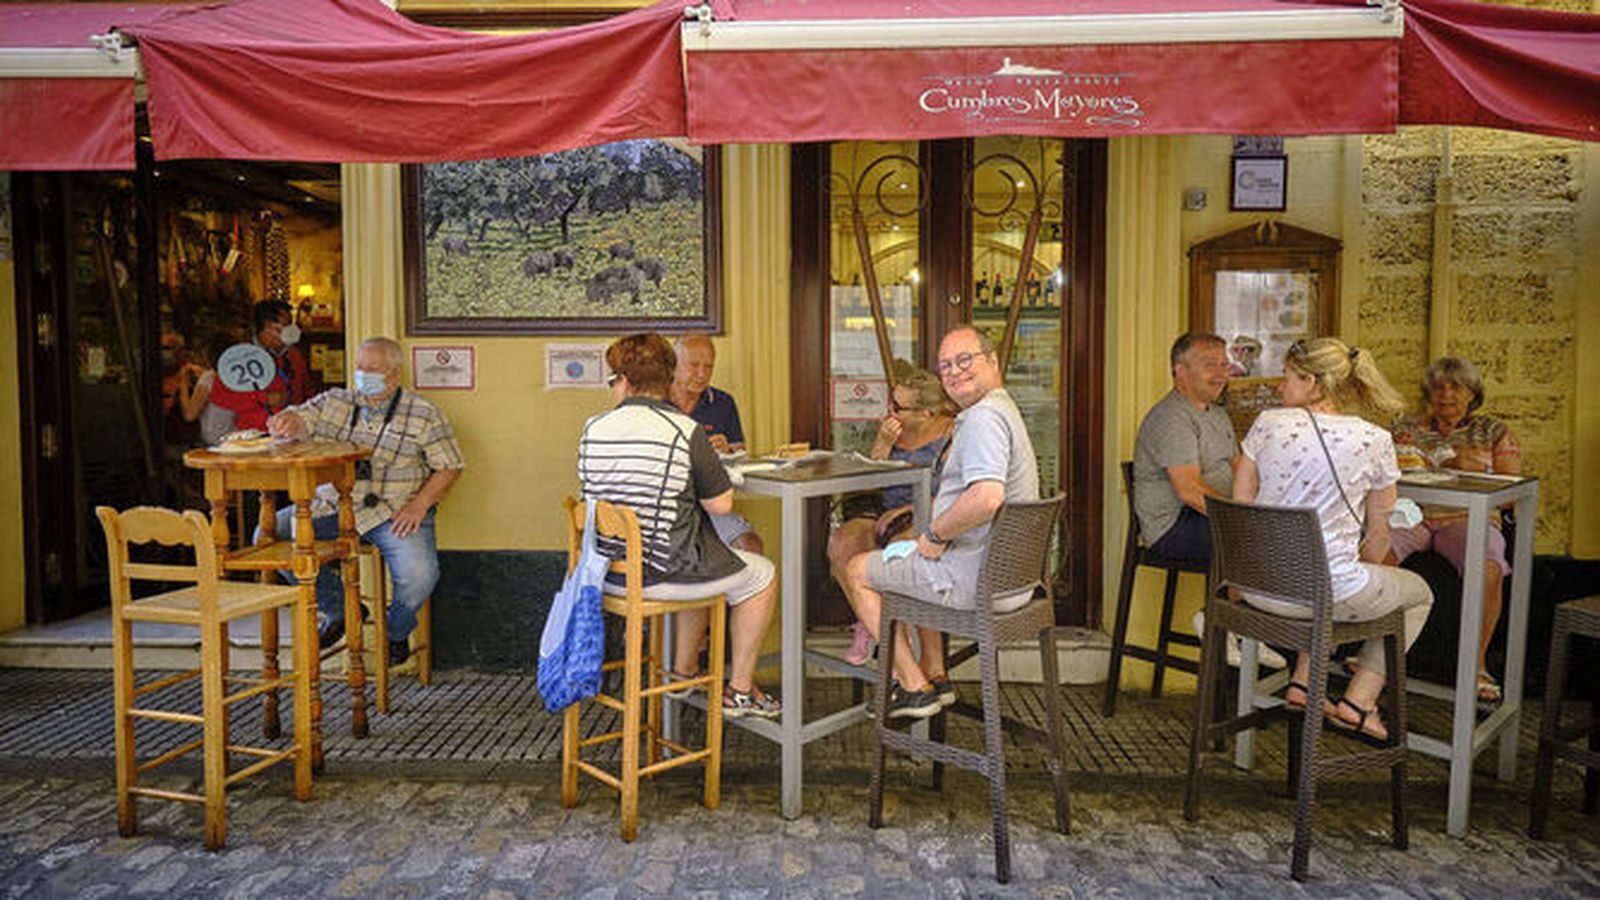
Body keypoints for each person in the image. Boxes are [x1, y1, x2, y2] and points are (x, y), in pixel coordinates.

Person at [1234, 338, 1434, 741]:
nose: (1279, 387)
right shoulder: (1374, 440)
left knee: (1328, 578)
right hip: (1321, 594)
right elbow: (1379, 536)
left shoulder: (1267, 423)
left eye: (1287, 377)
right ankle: (1359, 702)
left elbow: (1242, 504)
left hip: (1257, 588)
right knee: (1417, 595)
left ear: (1312, 382)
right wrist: (1365, 578)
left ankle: (1304, 683)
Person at [839, 326, 1038, 719]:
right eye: (946, 365)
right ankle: (935, 674)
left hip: (976, 578)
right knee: (902, 555)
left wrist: (934, 535)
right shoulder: (1003, 408)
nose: (955, 371)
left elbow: (987, 497)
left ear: (992, 361)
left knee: (857, 569)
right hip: (1012, 579)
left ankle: (913, 687)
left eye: (965, 360)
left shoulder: (982, 418)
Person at [580, 333, 781, 719]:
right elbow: (720, 504)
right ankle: (739, 690)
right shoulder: (683, 429)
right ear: (668, 376)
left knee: (710, 559)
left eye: (612, 380)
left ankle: (682, 674)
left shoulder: (594, 427)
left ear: (625, 381)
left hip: (605, 573)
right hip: (659, 572)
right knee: (762, 576)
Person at [265, 337, 464, 665]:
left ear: (395, 374)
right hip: (334, 509)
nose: (363, 374)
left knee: (420, 575)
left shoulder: (424, 413)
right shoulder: (334, 401)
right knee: (268, 536)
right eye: (360, 367)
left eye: (373, 369)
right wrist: (287, 420)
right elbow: (301, 417)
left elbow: (450, 466)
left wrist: (419, 506)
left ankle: (395, 631)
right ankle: (341, 608)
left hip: (395, 511)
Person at [1389, 356, 1521, 705]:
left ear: (1472, 393)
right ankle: (1374, 653)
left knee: (1489, 567)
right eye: (1438, 387)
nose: (1446, 394)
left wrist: (1472, 472)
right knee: (1375, 552)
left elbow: (1512, 495)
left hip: (1467, 517)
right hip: (1412, 514)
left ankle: (1477, 665)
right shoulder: (1406, 429)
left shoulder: (1492, 432)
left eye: (1456, 387)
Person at [826, 363, 954, 666]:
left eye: (898, 407)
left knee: (901, 551)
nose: (889, 411)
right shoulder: (892, 431)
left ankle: (902, 650)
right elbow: (871, 483)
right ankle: (869, 622)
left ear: (925, 414)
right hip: (884, 510)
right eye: (890, 402)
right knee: (842, 541)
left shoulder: (952, 435)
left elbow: (954, 496)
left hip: (929, 515)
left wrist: (909, 510)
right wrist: (882, 444)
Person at [1132, 332, 1237, 561]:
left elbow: (1239, 469)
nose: (1221, 375)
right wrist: (1241, 517)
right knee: (1261, 541)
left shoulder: (1218, 414)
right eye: (1210, 366)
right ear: (1180, 371)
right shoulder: (1172, 418)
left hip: (1209, 515)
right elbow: (1189, 491)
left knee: (1279, 532)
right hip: (1175, 525)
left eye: (1224, 365)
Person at [668, 333, 764, 555]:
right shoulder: (656, 402)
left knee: (751, 546)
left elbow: (740, 454)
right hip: (668, 507)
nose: (702, 374)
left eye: (708, 367)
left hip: (711, 505)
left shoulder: (723, 403)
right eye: (694, 365)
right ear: (673, 365)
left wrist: (727, 450)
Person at [209, 300, 313, 433]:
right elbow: (220, 397)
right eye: (285, 326)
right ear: (268, 327)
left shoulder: (294, 355)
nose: (291, 332)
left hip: (290, 432)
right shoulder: (239, 357)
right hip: (252, 435)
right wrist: (262, 398)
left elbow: (307, 390)